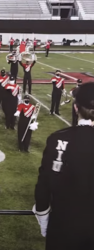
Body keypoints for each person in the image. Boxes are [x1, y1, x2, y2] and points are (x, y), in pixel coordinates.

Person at [33, 82, 94, 250]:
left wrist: (44, 219)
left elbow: (44, 185)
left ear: (76, 108)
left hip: (64, 227)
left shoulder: (58, 138)